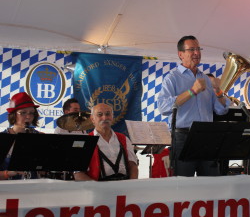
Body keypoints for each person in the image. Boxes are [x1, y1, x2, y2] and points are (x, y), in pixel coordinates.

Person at [157, 35, 230, 176]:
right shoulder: (172, 78)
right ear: (181, 54)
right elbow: (163, 107)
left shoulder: (206, 79)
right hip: (183, 138)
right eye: (192, 49)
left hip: (207, 136)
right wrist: (192, 91)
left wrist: (218, 91)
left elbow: (222, 110)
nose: (197, 53)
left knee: (212, 183)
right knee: (185, 187)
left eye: (198, 49)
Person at [73, 103, 139, 181]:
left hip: (124, 187)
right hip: (98, 188)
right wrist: (97, 188)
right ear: (92, 119)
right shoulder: (84, 141)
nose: (104, 118)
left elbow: (133, 166)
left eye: (108, 114)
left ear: (112, 117)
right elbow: (78, 174)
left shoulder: (124, 138)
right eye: (99, 115)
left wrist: (131, 185)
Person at [1, 92, 41, 180]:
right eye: (23, 113)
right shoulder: (3, 138)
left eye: (31, 113)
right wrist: (8, 173)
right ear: (13, 114)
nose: (28, 117)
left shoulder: (39, 136)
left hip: (34, 188)